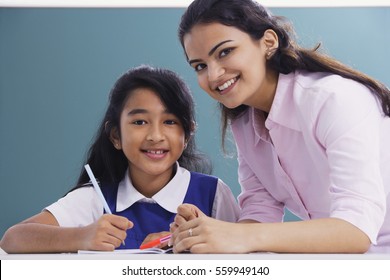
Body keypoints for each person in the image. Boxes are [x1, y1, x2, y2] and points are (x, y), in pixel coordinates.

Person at [170, 0, 390, 254]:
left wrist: (238, 235)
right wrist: (204, 234)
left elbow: (356, 230)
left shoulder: (333, 100)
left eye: (225, 52)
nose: (213, 74)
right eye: (200, 66)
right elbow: (260, 210)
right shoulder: (245, 123)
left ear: (268, 42)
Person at [0, 65, 239, 253]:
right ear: (116, 135)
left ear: (186, 135)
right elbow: (13, 238)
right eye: (139, 122)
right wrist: (82, 236)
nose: (155, 136)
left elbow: (249, 254)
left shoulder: (214, 194)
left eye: (170, 122)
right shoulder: (95, 197)